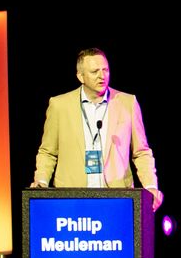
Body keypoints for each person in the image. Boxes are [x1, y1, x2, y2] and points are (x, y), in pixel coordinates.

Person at [30, 47, 162, 211]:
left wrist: (150, 186)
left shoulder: (128, 103)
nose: (102, 76)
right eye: (94, 71)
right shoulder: (59, 106)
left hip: (117, 199)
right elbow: (47, 152)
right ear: (81, 76)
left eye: (105, 70)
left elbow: (141, 151)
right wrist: (41, 182)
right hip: (72, 200)